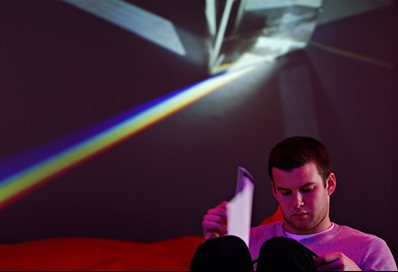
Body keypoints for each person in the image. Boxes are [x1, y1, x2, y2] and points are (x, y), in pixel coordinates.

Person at [197, 136, 397, 271]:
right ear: (274, 190)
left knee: (282, 252)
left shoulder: (370, 248)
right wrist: (215, 243)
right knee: (222, 250)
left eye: (308, 190)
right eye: (285, 192)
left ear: (330, 185)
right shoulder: (245, 241)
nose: (297, 202)